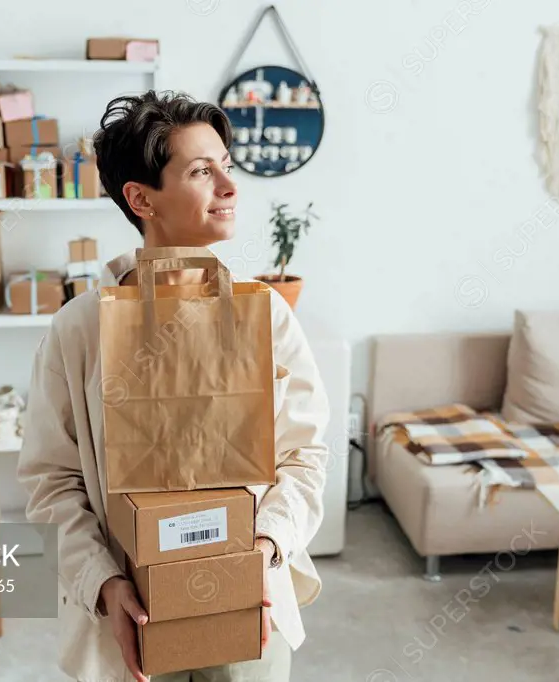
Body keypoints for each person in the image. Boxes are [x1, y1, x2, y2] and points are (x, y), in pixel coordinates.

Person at [17, 90, 330, 682]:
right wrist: (104, 584)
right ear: (140, 198)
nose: (230, 188)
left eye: (226, 168)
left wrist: (263, 551)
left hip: (249, 606)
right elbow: (50, 482)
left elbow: (306, 453)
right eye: (200, 171)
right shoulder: (81, 328)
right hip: (125, 622)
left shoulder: (264, 316)